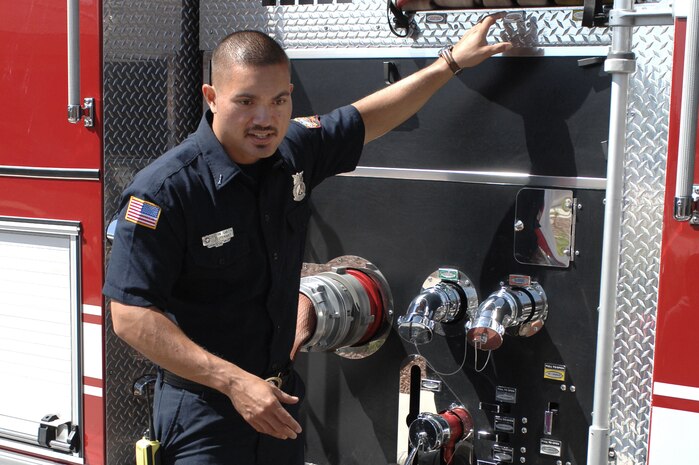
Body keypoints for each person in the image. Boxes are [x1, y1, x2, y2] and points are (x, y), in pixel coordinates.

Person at [104, 16, 511, 465]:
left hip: (279, 404)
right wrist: (234, 382)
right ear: (212, 98)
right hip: (204, 415)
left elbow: (370, 116)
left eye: (278, 100)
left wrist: (450, 62)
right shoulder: (166, 191)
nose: (265, 119)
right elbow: (131, 316)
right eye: (246, 101)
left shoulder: (292, 152)